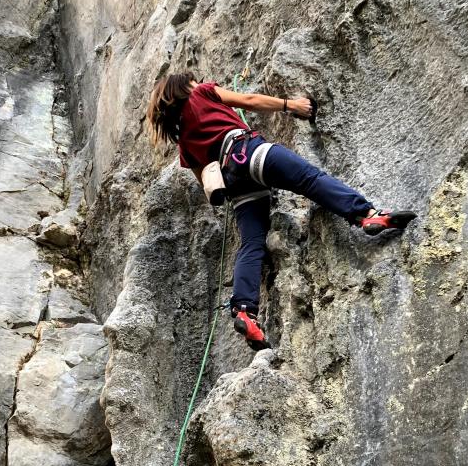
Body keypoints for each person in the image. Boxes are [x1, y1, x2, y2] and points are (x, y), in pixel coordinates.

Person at [147, 73, 416, 350]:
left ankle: (244, 310)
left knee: (252, 243)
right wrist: (292, 105)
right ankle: (367, 215)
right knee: (309, 179)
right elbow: (249, 100)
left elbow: (202, 178)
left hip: (233, 183)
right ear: (184, 87)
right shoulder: (202, 92)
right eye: (192, 81)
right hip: (247, 151)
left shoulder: (184, 143)